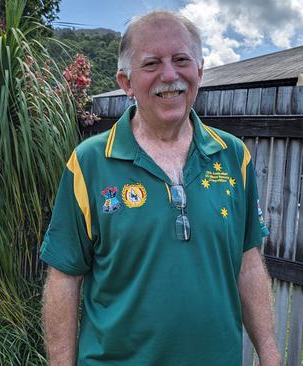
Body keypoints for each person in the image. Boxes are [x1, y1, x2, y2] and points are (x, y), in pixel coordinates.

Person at [41, 11, 281, 366]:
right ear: (126, 81)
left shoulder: (233, 156)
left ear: (199, 70)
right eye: (152, 63)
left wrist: (271, 353)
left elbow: (248, 262)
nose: (170, 75)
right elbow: (64, 277)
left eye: (181, 60)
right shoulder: (89, 163)